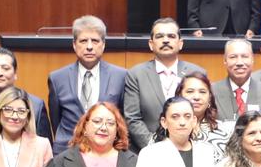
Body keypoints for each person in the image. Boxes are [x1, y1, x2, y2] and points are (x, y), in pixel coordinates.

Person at [46, 15, 129, 154]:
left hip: (106, 150)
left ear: (103, 45)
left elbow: (123, 119)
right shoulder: (57, 78)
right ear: (74, 44)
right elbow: (56, 119)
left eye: (95, 41)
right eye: (83, 41)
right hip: (67, 150)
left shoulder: (121, 76)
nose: (89, 47)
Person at [123, 18, 200, 151]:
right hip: (148, 151)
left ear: (180, 43)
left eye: (171, 36)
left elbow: (202, 114)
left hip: (190, 148)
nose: (165, 40)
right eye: (159, 36)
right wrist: (155, 148)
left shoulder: (196, 73)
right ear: (151, 44)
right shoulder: (136, 74)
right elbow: (132, 118)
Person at [213, 38, 261, 121]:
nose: (239, 63)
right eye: (233, 57)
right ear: (225, 60)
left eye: (244, 57)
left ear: (252, 59)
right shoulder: (212, 92)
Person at [178, 70, 230, 154]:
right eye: (190, 91)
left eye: (202, 92)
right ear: (179, 95)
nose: (196, 97)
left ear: (209, 97)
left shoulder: (225, 132)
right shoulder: (166, 130)